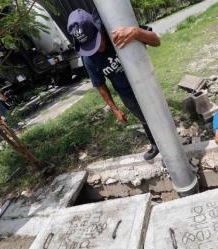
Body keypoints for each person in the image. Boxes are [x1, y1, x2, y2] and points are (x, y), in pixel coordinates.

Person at [67, 9, 161, 160]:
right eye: (91, 45)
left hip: (146, 82)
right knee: (143, 118)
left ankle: (169, 137)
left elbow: (156, 41)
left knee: (158, 111)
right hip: (126, 92)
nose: (97, 48)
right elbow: (100, 85)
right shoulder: (89, 59)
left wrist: (136, 32)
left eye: (96, 41)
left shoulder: (119, 29)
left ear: (99, 28)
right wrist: (115, 109)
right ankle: (155, 143)